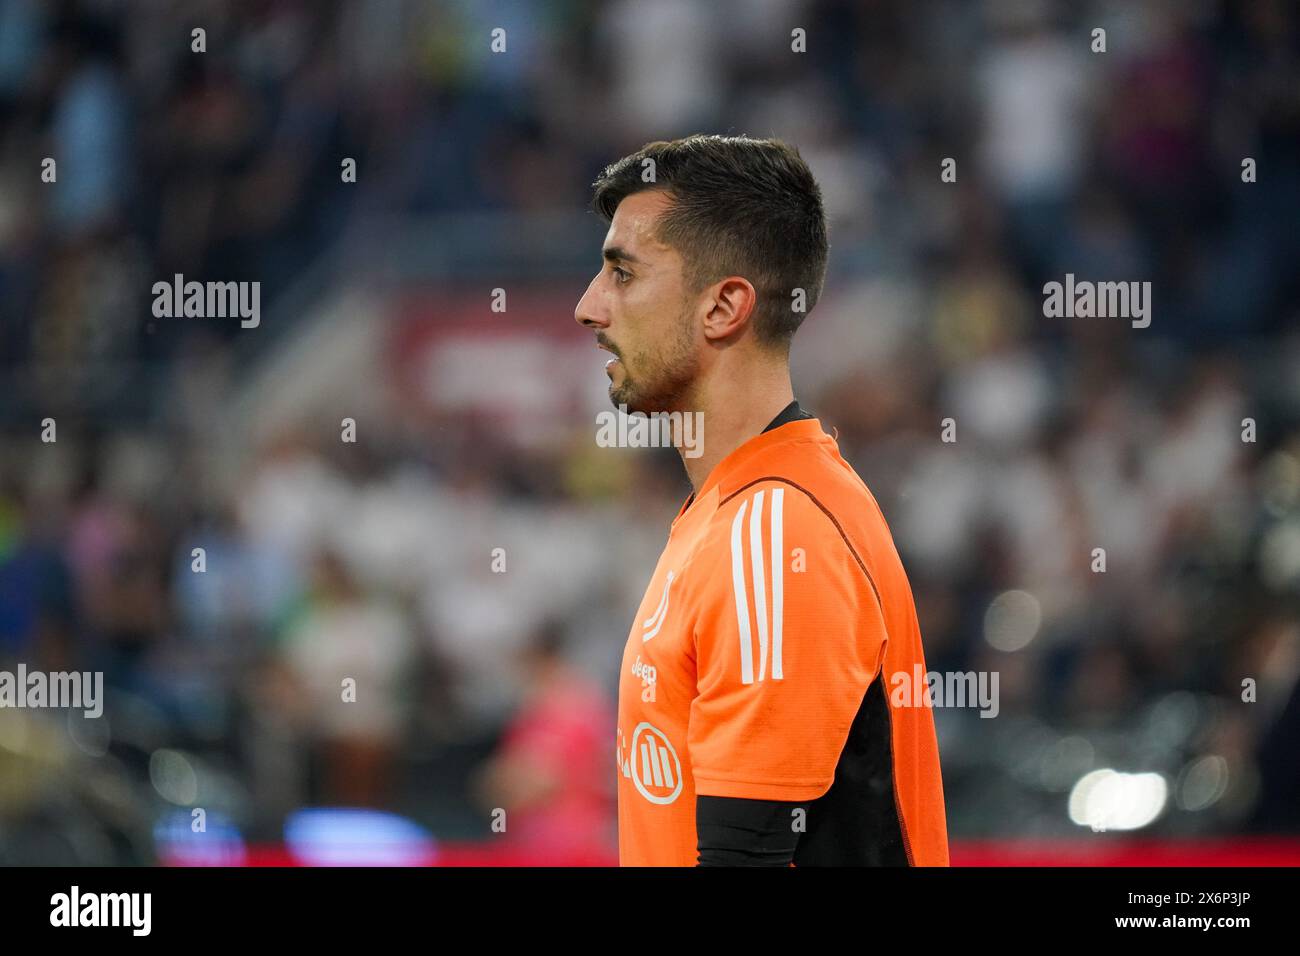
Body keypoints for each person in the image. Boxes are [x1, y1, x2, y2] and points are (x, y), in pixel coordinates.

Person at [574, 134, 949, 866]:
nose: (589, 307)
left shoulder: (775, 533)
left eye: (622, 273)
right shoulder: (738, 511)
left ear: (723, 307)